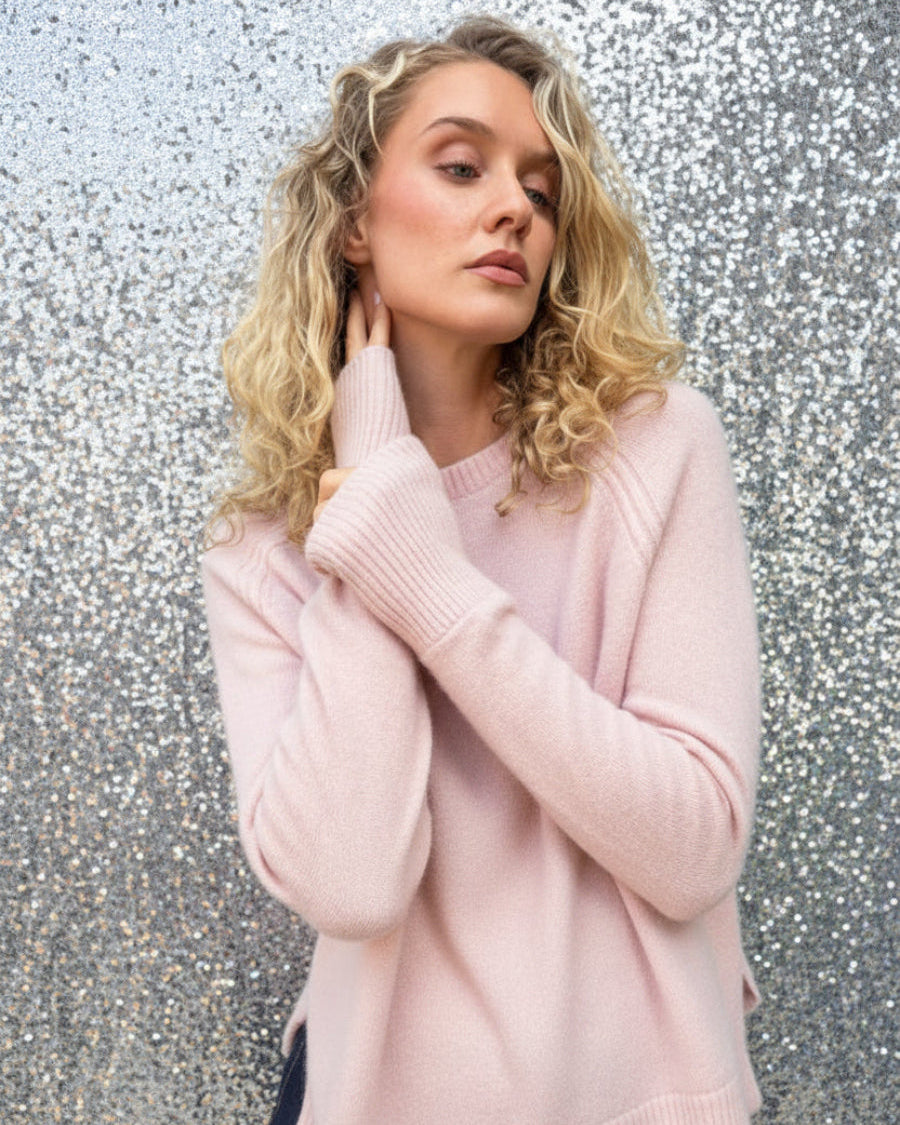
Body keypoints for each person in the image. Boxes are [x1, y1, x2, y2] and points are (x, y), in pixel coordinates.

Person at [202, 16, 763, 1125]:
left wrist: (421, 571)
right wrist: (372, 481)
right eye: (461, 167)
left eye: (541, 191)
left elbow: (695, 846)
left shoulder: (655, 451)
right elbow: (353, 882)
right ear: (356, 220)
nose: (514, 207)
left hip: (642, 1098)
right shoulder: (261, 549)